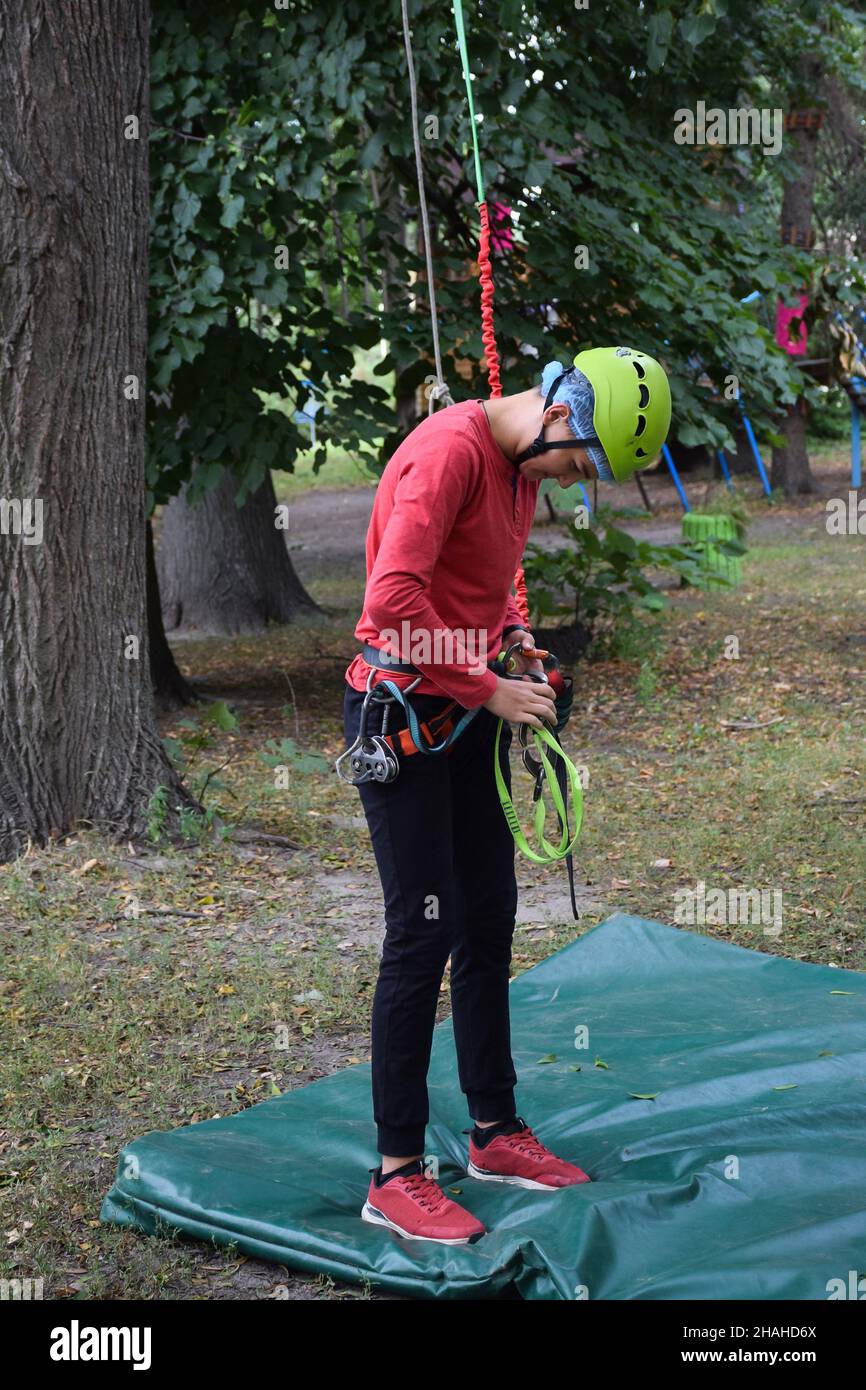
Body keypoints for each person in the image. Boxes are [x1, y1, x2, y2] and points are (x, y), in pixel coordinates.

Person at [341, 348, 672, 1243]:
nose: (569, 483)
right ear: (559, 413)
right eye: (576, 463)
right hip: (404, 712)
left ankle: (492, 1130)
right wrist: (487, 687)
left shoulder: (520, 470)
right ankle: (396, 1173)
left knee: (486, 919)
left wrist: (512, 638)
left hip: (461, 712)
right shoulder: (450, 453)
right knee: (424, 929)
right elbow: (392, 602)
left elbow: (475, 585)